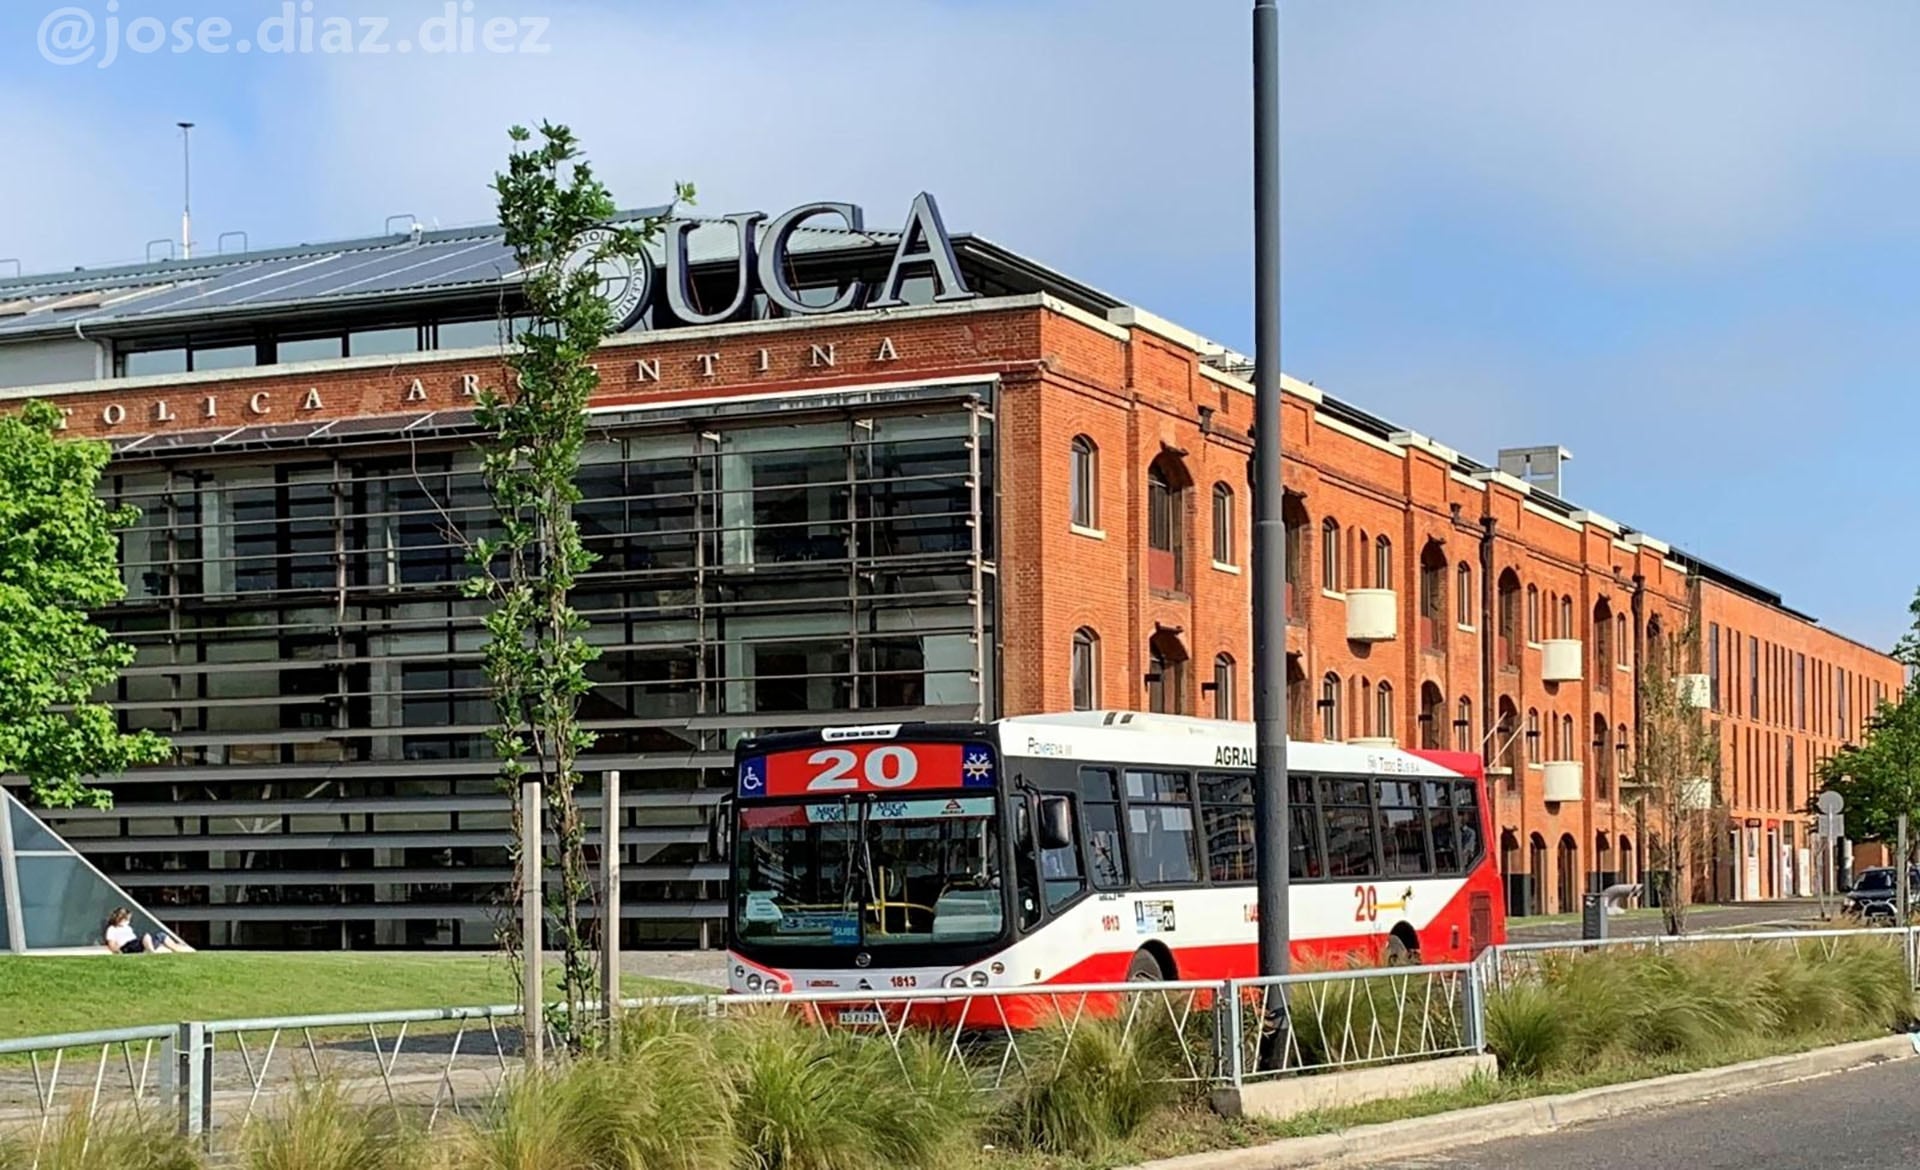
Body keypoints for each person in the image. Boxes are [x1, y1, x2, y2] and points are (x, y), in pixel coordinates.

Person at [103, 907, 178, 955]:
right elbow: (112, 944)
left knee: (161, 935)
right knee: (146, 936)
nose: (128, 921)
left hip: (137, 944)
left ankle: (177, 951)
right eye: (127, 919)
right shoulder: (112, 929)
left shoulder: (128, 927)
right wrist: (118, 951)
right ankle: (152, 953)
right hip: (127, 946)